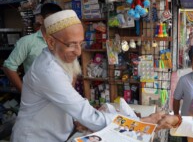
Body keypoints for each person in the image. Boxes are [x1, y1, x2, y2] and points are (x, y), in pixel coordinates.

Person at [10, 10, 163, 142]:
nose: (78, 52)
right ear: (50, 42)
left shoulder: (58, 58)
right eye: (71, 44)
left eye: (80, 44)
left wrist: (78, 119)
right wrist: (139, 122)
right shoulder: (48, 71)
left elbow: (68, 102)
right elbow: (87, 115)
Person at [2, 3, 62, 93]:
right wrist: (23, 92)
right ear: (41, 19)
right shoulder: (27, 42)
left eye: (58, 20)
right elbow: (9, 67)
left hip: (60, 94)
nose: (55, 23)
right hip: (36, 96)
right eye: (51, 19)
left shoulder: (62, 40)